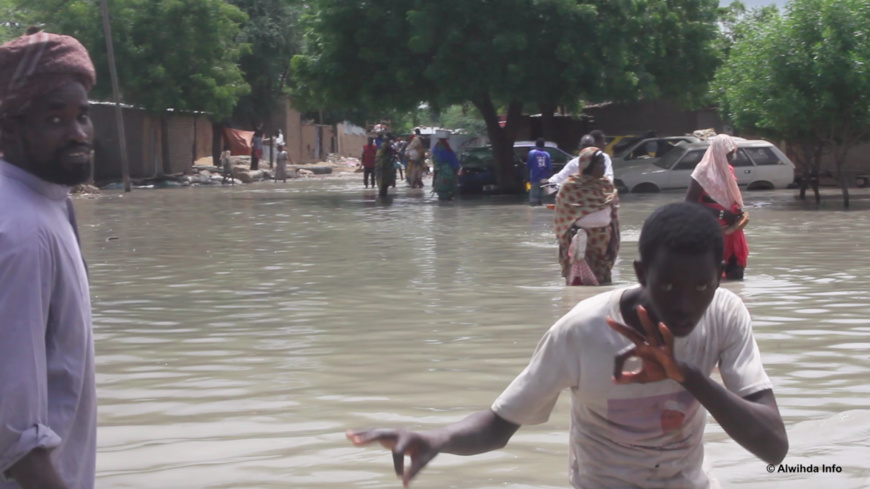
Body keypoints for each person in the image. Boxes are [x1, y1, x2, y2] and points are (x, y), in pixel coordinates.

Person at [347, 202, 788, 489]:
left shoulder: (725, 315)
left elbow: (774, 446)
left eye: (702, 287)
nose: (686, 304)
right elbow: (500, 425)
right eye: (669, 286)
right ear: (641, 274)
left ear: (720, 278)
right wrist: (433, 438)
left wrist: (686, 375)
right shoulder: (581, 332)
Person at [0, 29, 100, 489]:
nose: (78, 133)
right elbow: (13, 435)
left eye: (83, 116)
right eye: (55, 119)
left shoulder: (48, 204)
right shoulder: (23, 233)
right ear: (8, 128)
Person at [685, 134, 748, 280]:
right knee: (710, 276)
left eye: (732, 154)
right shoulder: (702, 172)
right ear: (718, 153)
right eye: (728, 155)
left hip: (732, 229)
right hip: (711, 231)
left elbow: (731, 197)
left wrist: (737, 212)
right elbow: (689, 203)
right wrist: (722, 214)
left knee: (736, 275)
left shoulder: (728, 170)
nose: (731, 158)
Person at [554, 148, 620, 285]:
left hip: (602, 240)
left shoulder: (606, 185)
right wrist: (569, 235)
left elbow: (614, 215)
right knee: (578, 281)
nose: (604, 167)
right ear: (588, 165)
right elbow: (562, 217)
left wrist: (614, 238)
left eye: (604, 163)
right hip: (579, 241)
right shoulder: (571, 186)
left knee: (602, 279)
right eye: (600, 163)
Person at [431, 130, 460, 201]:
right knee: (449, 191)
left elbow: (436, 167)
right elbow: (456, 165)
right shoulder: (449, 151)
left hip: (442, 175)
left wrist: (434, 182)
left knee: (442, 191)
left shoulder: (438, 151)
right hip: (450, 175)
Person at [526, 138, 551, 206]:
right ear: (544, 145)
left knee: (533, 201)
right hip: (543, 179)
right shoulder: (547, 154)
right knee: (540, 201)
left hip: (534, 178)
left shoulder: (531, 153)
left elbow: (528, 166)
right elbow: (549, 168)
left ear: (536, 145)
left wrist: (527, 176)